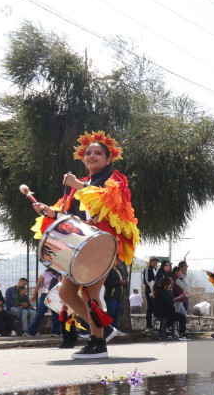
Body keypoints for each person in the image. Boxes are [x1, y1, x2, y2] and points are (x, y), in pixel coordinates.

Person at [31, 131, 139, 358]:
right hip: (81, 245)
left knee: (91, 292)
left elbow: (106, 201)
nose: (92, 156)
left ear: (108, 159)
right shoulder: (81, 184)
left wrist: (78, 185)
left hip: (102, 244)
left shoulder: (114, 179)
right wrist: (50, 212)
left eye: (98, 153)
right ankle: (104, 328)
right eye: (88, 153)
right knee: (66, 291)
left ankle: (98, 343)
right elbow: (68, 215)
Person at [25, 268, 62, 337]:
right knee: (40, 313)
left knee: (56, 314)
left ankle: (56, 332)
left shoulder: (60, 275)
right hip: (45, 294)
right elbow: (38, 285)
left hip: (55, 295)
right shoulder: (45, 274)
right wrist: (34, 295)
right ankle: (31, 331)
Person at [103, 260, 125, 331]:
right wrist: (119, 282)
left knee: (116, 314)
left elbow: (125, 280)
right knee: (111, 314)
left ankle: (115, 330)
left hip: (119, 296)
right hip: (111, 296)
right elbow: (107, 282)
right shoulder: (108, 270)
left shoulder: (119, 270)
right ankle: (108, 330)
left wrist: (125, 282)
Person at [143, 257, 158, 330]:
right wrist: (151, 286)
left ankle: (154, 325)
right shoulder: (147, 269)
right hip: (149, 291)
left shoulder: (155, 269)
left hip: (155, 291)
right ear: (150, 262)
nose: (155, 263)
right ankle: (148, 325)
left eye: (156, 261)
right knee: (150, 308)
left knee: (154, 307)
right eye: (154, 261)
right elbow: (145, 280)